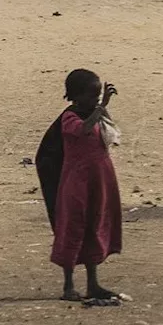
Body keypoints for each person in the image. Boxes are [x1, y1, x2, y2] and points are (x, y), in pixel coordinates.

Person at [35, 69, 122, 303]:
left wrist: (101, 108)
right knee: (73, 229)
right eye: (92, 96)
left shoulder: (93, 113)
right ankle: (68, 286)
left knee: (95, 226)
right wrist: (101, 106)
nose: (95, 100)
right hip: (77, 184)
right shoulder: (70, 117)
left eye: (97, 95)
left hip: (98, 181)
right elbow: (82, 130)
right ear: (76, 95)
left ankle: (93, 284)